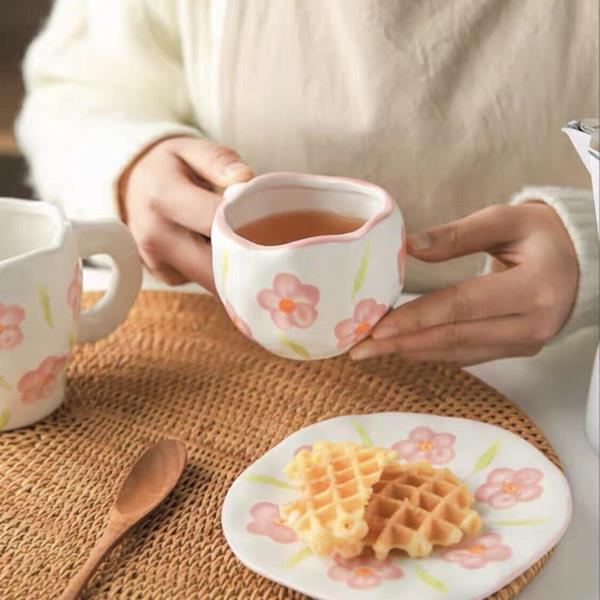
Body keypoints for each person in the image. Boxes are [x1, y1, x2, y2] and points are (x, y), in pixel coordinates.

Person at [17, 0, 599, 365]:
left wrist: (591, 239)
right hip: (230, 355)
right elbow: (77, 93)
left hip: (557, 359)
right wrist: (131, 163)